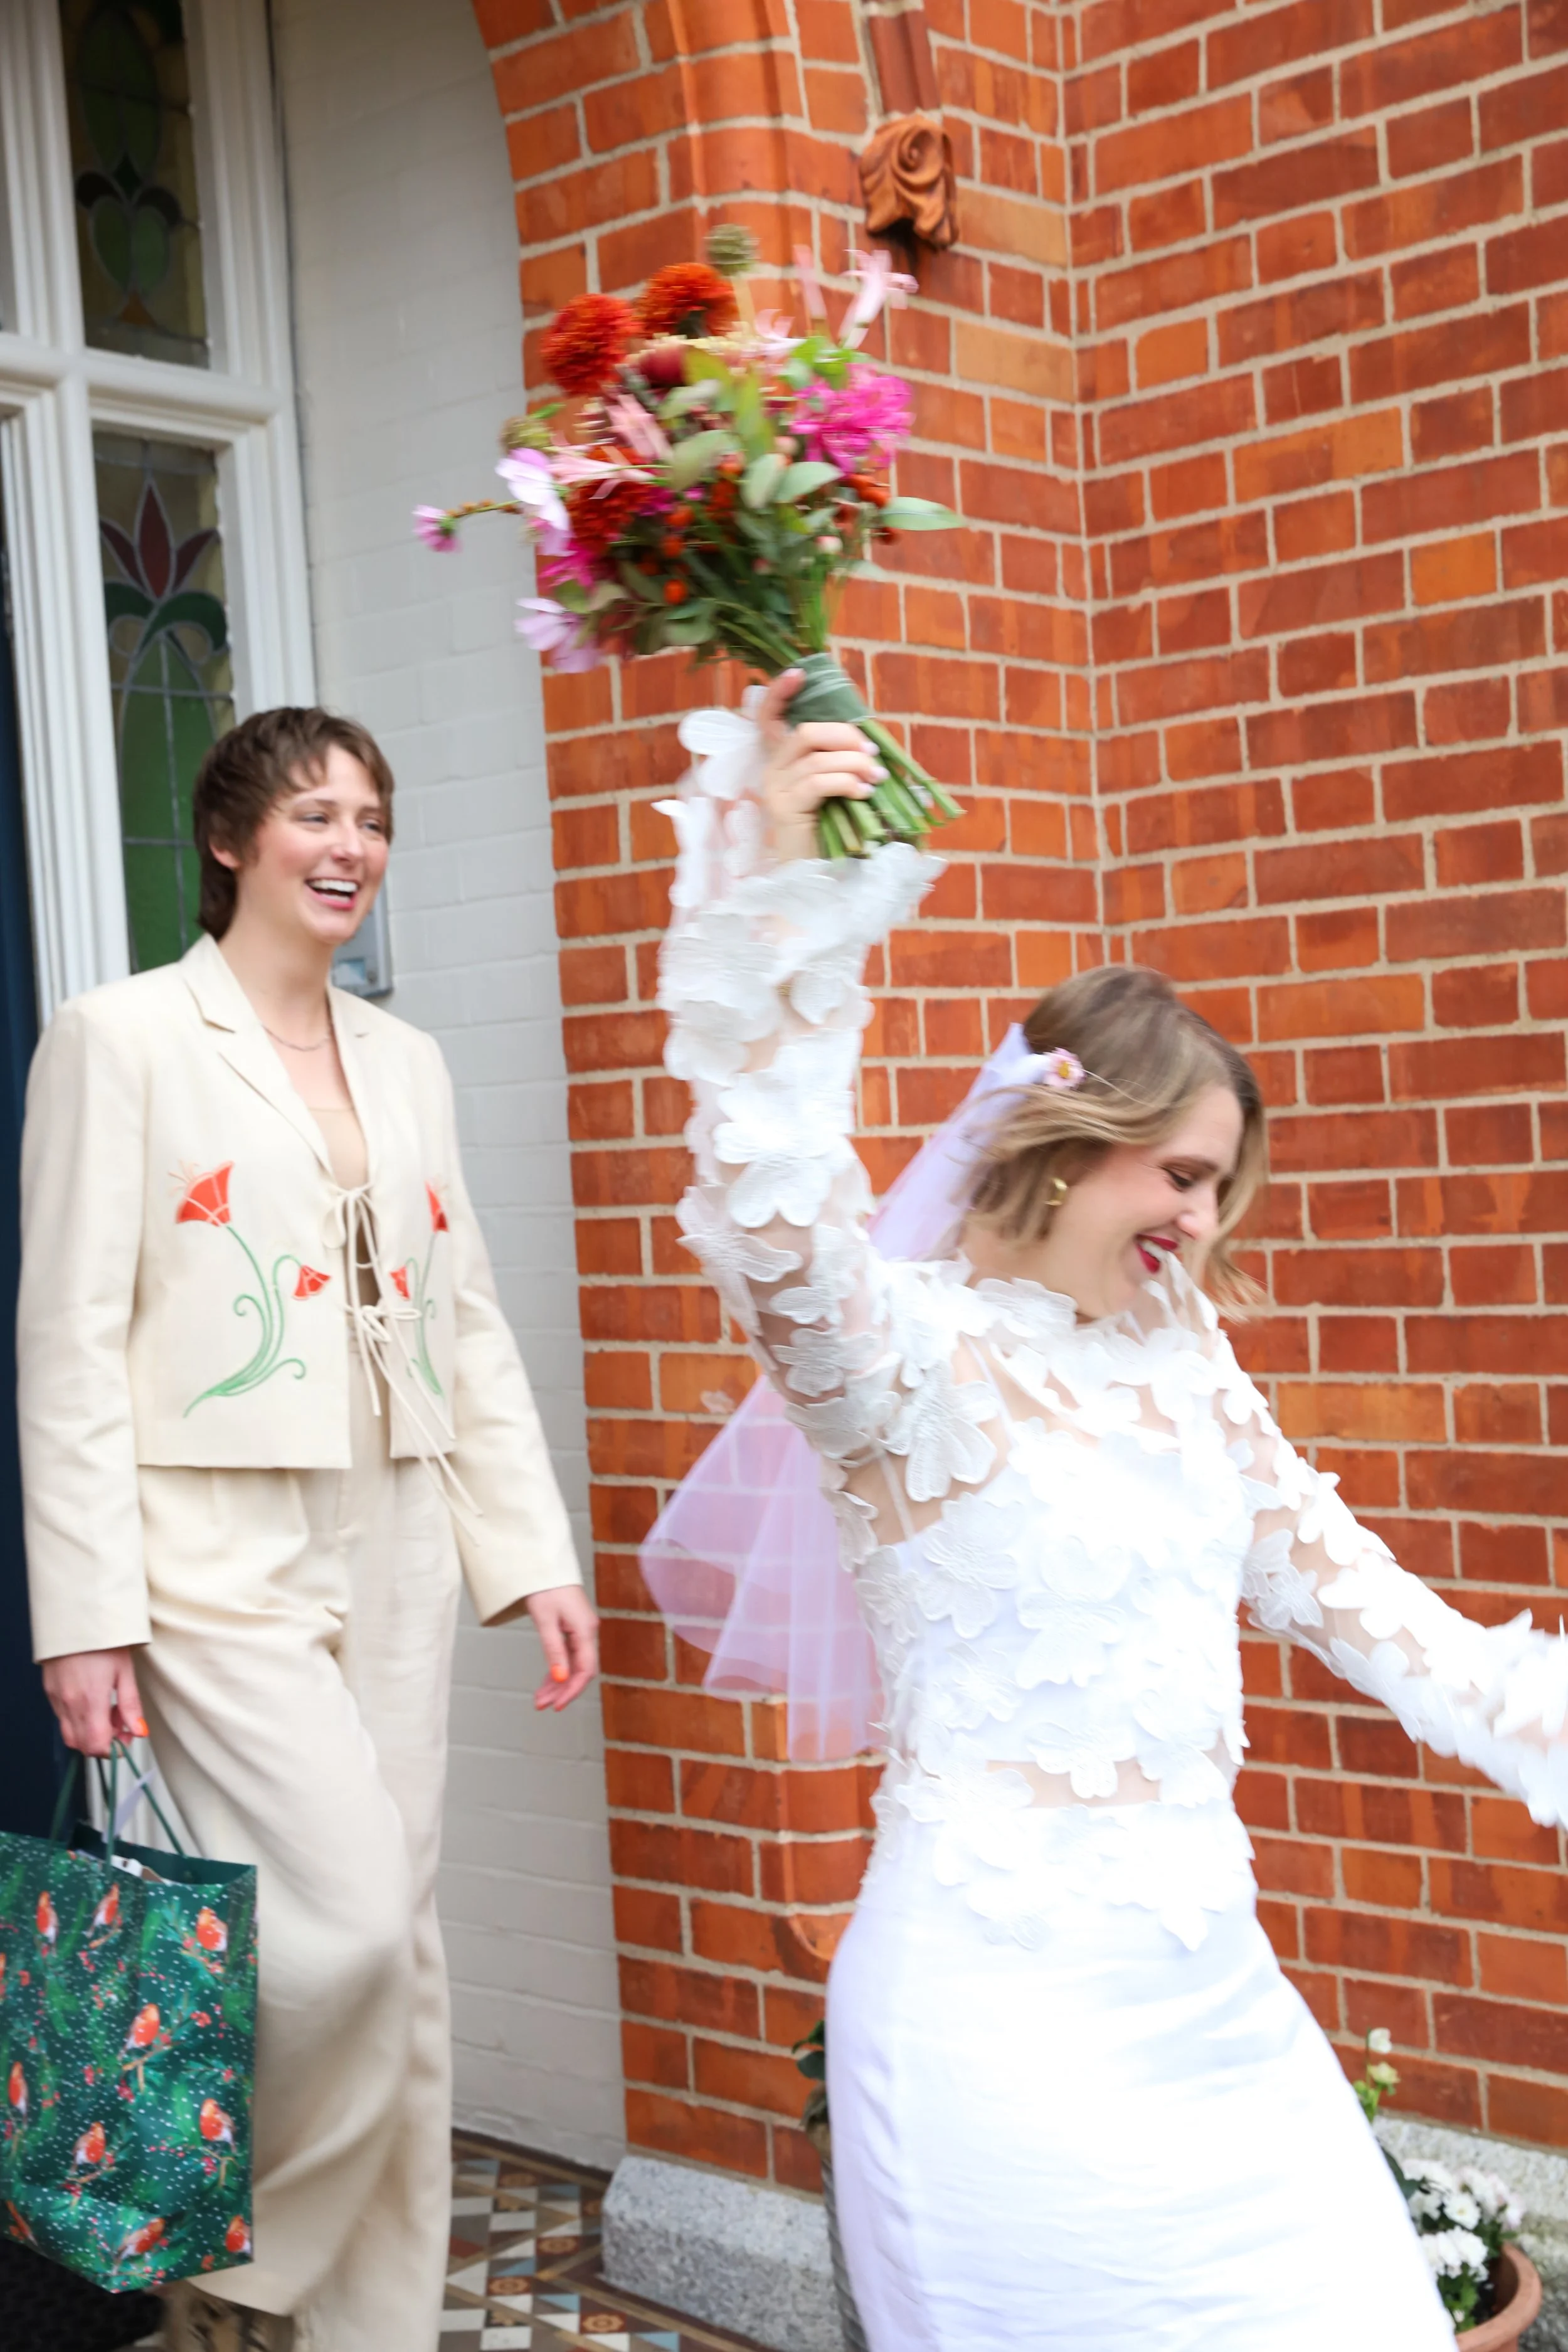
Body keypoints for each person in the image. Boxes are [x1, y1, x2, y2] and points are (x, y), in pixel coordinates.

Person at [652, 673, 1568, 2351]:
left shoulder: (1189, 1374)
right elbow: (769, 1202)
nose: (1202, 1222)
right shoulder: (896, 1366)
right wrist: (792, 894)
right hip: (998, 2042)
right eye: (1182, 1174)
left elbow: (1383, 1617)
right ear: (1070, 1146)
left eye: (1222, 1189)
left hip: (1222, 2023)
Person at [19, 707, 598, 2352]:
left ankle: (369, 2330)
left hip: (401, 1519)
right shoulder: (117, 1037)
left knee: (400, 1947)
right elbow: (67, 1331)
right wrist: (82, 1611)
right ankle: (230, 2266)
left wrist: (532, 1549)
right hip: (208, 1543)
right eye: (314, 815)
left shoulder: (403, 1060)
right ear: (230, 840)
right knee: (335, 1935)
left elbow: (465, 1311)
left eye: (372, 819)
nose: (349, 845)